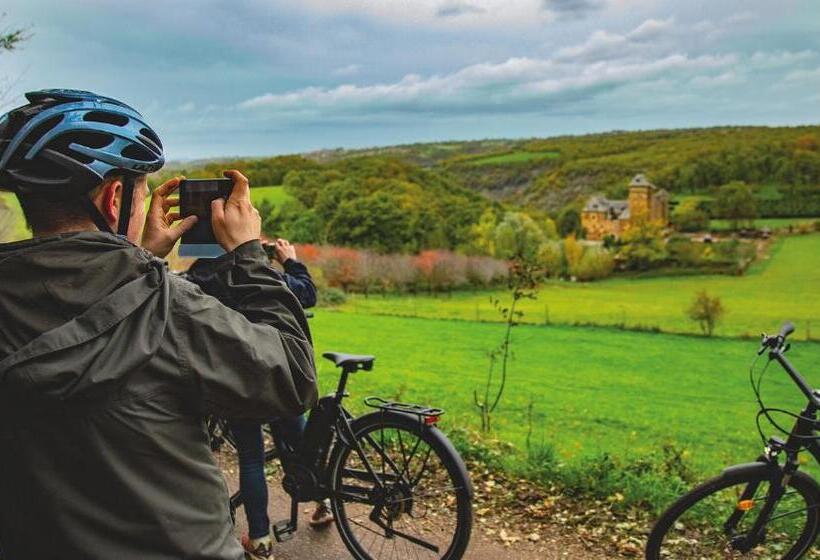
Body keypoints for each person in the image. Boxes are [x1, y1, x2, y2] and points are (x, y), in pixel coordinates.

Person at [0, 89, 318, 560]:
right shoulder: (170, 310)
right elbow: (290, 378)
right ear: (113, 199)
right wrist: (248, 256)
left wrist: (137, 258)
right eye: (143, 190)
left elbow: (87, 313)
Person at [192, 238, 331, 560]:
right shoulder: (258, 271)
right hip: (279, 371)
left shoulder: (201, 276)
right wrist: (290, 260)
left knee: (251, 458)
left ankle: (260, 541)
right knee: (301, 443)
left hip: (240, 378)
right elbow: (307, 294)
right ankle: (323, 503)